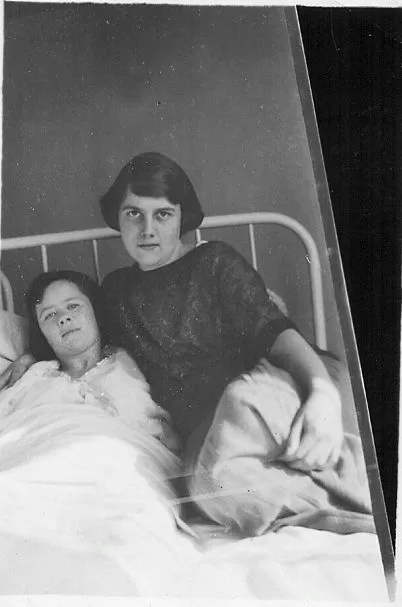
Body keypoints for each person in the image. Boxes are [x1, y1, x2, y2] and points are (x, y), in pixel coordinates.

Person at [0, 153, 372, 535]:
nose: (147, 229)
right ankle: (357, 515)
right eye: (133, 214)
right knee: (206, 486)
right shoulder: (115, 292)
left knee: (236, 405)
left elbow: (275, 332)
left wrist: (323, 395)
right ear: (117, 218)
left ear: (182, 216)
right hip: (209, 431)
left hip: (271, 387)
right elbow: (79, 335)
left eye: (162, 214)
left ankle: (358, 480)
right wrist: (29, 355)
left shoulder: (214, 261)